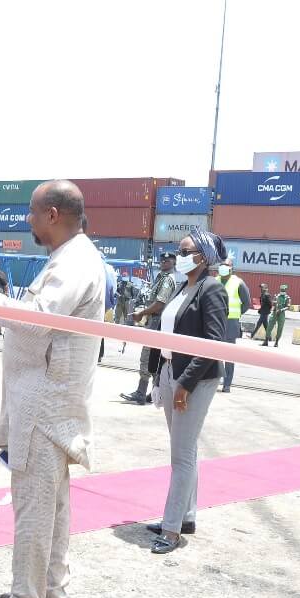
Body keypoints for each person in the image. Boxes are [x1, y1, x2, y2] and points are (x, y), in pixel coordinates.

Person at [0, 180, 103, 598]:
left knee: (35, 506)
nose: (28, 220)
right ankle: (50, 590)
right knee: (53, 505)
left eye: (33, 212)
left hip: (45, 403)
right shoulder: (72, 258)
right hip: (50, 400)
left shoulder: (74, 262)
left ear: (53, 215)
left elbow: (35, 320)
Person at [146, 227, 228, 554]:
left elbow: (213, 343)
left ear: (203, 257)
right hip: (169, 372)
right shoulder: (182, 287)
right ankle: (186, 516)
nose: (178, 257)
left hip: (194, 380)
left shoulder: (212, 290)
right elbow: (162, 334)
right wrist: (157, 375)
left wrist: (185, 384)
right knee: (187, 450)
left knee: (180, 457)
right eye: (178, 251)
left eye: (185, 251)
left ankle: (171, 530)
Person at [120, 251, 176, 405]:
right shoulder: (162, 277)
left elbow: (160, 303)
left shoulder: (168, 280)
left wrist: (142, 313)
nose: (163, 262)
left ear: (174, 263)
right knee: (153, 359)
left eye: (167, 260)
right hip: (155, 322)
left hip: (157, 323)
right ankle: (152, 393)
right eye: (162, 260)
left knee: (148, 357)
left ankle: (142, 392)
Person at [216, 256, 250, 393]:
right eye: (221, 265)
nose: (223, 268)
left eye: (226, 266)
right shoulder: (215, 281)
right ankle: (214, 379)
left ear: (231, 269)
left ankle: (227, 384)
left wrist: (236, 315)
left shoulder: (238, 283)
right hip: (216, 322)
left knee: (229, 355)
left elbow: (246, 303)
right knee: (214, 353)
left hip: (231, 323)